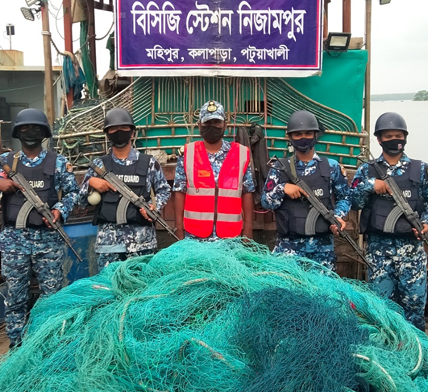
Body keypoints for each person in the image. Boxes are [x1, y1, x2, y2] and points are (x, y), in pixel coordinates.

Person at [0, 108, 80, 348]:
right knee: (14, 297)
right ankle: (17, 346)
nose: (30, 132)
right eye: (25, 128)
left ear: (43, 132)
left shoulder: (57, 162)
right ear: (18, 132)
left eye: (36, 128)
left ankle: (49, 344)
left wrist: (59, 211)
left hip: (48, 241)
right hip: (14, 241)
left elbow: (74, 193)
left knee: (52, 296)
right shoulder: (4, 162)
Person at [349, 112, 428, 331]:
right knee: (381, 306)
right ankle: (387, 353)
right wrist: (370, 185)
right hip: (379, 251)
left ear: (405, 138)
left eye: (399, 135)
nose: (395, 140)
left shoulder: (420, 169)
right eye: (389, 136)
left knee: (414, 307)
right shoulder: (367, 170)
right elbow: (353, 202)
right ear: (379, 139)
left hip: (411, 249)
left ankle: (417, 352)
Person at [78, 108, 171, 271]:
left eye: (123, 129)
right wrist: (91, 184)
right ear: (107, 134)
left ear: (132, 133)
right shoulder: (99, 165)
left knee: (140, 290)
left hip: (142, 244)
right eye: (113, 129)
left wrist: (154, 206)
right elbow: (81, 202)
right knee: (109, 291)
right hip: (108, 245)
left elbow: (164, 191)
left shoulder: (149, 163)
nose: (118, 132)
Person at [261, 110, 351, 271]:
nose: (303, 138)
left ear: (316, 135)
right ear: (290, 137)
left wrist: (338, 217)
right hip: (288, 249)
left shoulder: (331, 167)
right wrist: (282, 189)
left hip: (322, 250)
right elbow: (265, 202)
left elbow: (345, 197)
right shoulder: (280, 168)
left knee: (323, 295)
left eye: (308, 133)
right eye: (298, 134)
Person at [173, 100, 255, 241]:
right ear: (199, 126)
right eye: (207, 123)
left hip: (230, 237)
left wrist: (248, 230)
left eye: (217, 122)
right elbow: (179, 193)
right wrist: (179, 230)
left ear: (225, 125)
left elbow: (247, 192)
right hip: (194, 236)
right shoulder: (188, 153)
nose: (212, 127)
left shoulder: (240, 154)